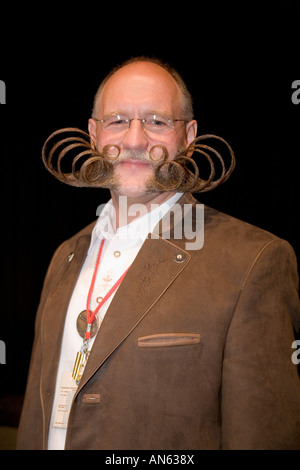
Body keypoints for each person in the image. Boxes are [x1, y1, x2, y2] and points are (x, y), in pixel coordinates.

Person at [16, 57, 300, 450]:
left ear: (189, 136)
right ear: (94, 135)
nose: (134, 141)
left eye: (156, 121)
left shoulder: (254, 260)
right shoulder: (66, 255)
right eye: (117, 120)